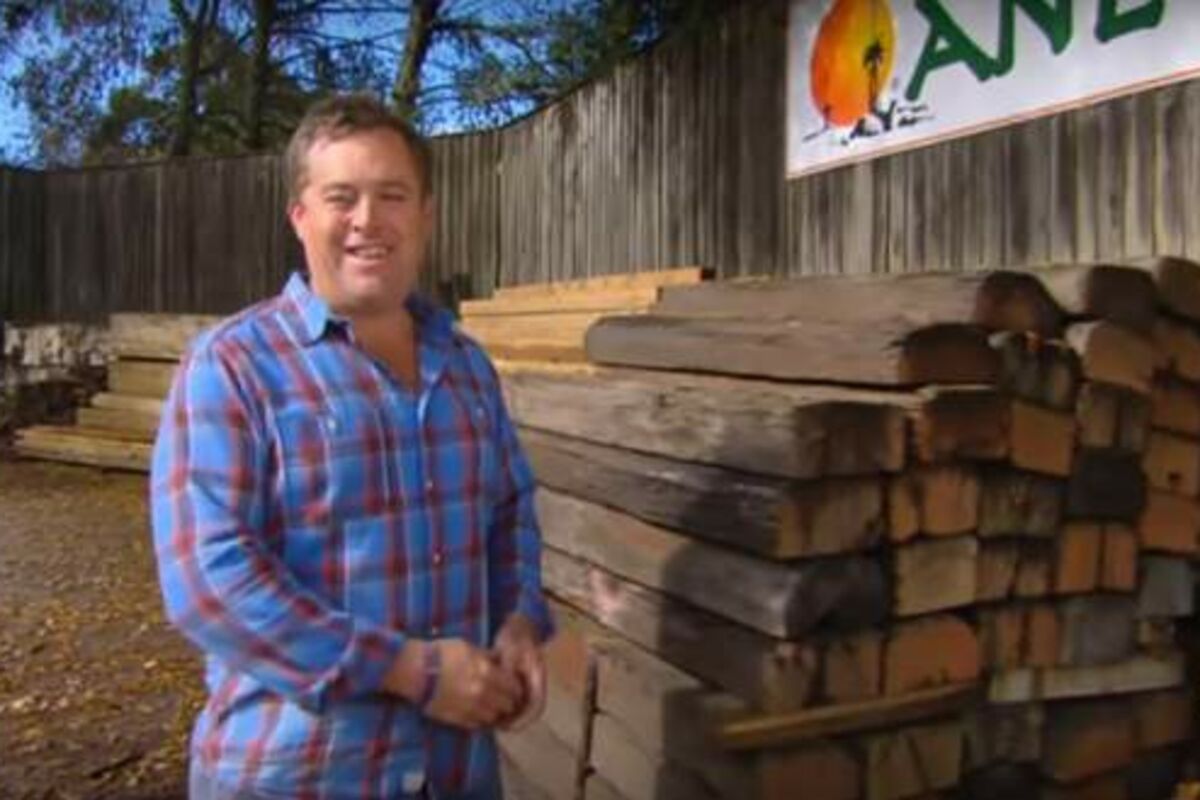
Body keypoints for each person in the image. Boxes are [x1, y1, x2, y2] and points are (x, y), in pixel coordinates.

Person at [150, 93, 553, 800]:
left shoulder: (467, 368)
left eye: (392, 195)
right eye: (342, 197)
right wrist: (411, 670)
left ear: (425, 215)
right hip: (297, 775)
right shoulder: (233, 366)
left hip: (457, 772)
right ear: (300, 217)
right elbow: (208, 582)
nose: (368, 219)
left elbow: (508, 514)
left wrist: (518, 623)